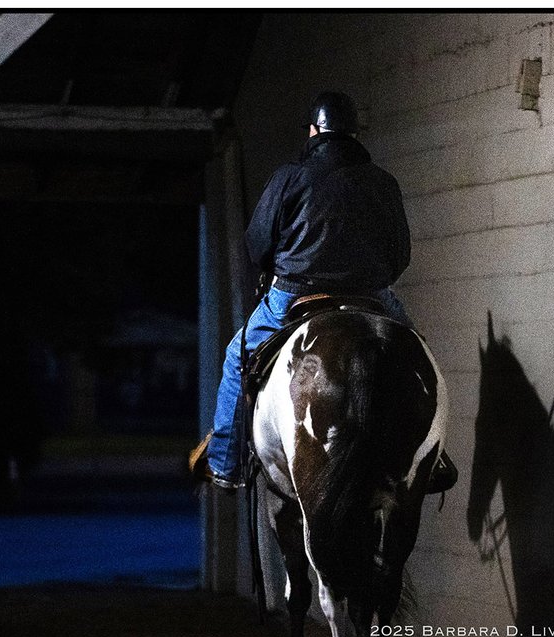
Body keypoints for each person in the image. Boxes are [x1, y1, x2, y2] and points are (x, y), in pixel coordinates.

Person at [190, 91, 455, 493]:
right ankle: (430, 457)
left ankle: (227, 464)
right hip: (371, 294)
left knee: (236, 356)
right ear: (353, 134)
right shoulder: (383, 182)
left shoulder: (290, 177)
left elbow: (258, 244)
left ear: (314, 130)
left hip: (295, 293)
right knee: (417, 356)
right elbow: (400, 254)